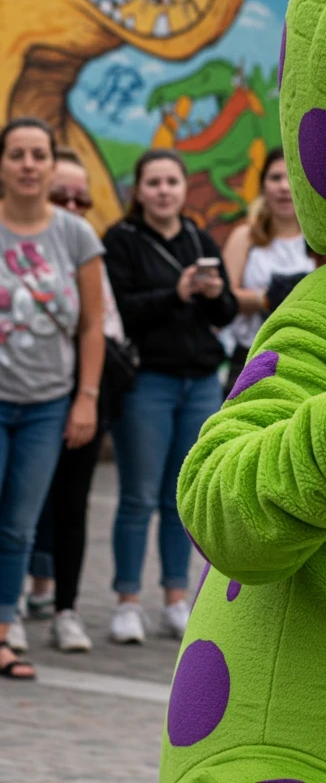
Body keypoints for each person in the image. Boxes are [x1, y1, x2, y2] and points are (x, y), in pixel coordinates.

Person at [103, 149, 237, 644]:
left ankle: (176, 598)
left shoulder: (200, 237)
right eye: (154, 182)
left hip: (199, 382)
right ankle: (126, 600)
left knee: (182, 498)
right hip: (149, 383)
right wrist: (175, 294)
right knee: (138, 496)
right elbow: (119, 309)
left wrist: (214, 293)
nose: (163, 191)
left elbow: (223, 314)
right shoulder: (121, 240)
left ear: (184, 188)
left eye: (172, 182)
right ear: (138, 191)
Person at [0, 119, 105, 681]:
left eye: (38, 154)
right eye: (16, 154)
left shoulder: (75, 236)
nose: (28, 165)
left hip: (47, 403)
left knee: (19, 524)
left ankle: (4, 631)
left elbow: (91, 326)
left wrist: (85, 398)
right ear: (3, 164)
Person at [24, 148, 126, 652]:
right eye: (59, 194)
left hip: (84, 395)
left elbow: (104, 326)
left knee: (71, 506)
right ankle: (15, 601)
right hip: (24, 390)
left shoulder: (87, 250)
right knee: (16, 506)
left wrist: (88, 398)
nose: (70, 204)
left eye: (80, 197)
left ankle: (66, 608)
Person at [221, 147, 314, 396]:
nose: (284, 186)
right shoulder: (245, 236)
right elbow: (223, 299)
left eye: (290, 176)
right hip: (250, 356)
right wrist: (265, 298)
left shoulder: (320, 241)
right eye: (275, 178)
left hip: (306, 358)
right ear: (262, 186)